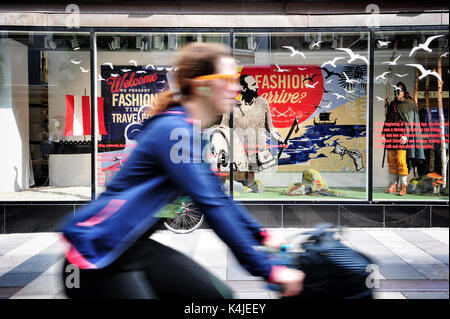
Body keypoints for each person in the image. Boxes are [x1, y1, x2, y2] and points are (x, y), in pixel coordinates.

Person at [59, 42, 305, 299]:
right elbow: (211, 205)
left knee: (216, 296)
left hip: (132, 248)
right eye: (228, 79)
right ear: (202, 85)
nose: (235, 87)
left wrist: (261, 234)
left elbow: (217, 195)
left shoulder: (187, 129)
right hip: (96, 258)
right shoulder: (173, 131)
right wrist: (267, 269)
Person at [220, 74, 283, 186]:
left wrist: (279, 138)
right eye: (253, 84)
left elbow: (270, 127)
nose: (257, 86)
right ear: (244, 88)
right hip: (239, 155)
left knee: (260, 186)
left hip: (260, 154)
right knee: (240, 187)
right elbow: (223, 129)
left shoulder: (263, 103)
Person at [382, 81, 425, 196]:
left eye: (399, 91)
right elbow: (388, 121)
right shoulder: (392, 104)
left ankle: (403, 186)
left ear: (404, 92)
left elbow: (411, 122)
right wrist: (383, 135)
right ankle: (393, 185)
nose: (397, 93)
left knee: (401, 161)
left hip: (402, 137)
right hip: (391, 135)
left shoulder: (410, 104)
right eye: (395, 91)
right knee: (391, 161)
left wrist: (406, 135)